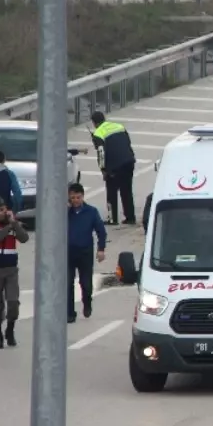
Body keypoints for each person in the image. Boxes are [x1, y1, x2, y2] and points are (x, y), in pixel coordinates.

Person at [0, 197, 28, 348]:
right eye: (0, 211)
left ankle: (10, 329)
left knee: (13, 302)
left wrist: (14, 224)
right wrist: (8, 228)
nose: (3, 213)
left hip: (11, 270)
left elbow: (24, 238)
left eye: (5, 209)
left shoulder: (13, 223)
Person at [67, 182, 106, 322]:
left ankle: (87, 302)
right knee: (67, 283)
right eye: (72, 198)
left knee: (86, 283)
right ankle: (70, 313)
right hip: (68, 253)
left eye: (78, 197)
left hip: (85, 252)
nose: (75, 200)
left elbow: (101, 231)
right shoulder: (66, 212)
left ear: (83, 197)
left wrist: (101, 249)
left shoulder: (91, 212)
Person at [90, 111, 137, 225]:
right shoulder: (119, 126)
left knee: (111, 192)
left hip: (114, 166)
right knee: (126, 190)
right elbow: (127, 142)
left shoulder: (98, 133)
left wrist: (104, 170)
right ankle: (130, 217)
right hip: (129, 161)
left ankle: (112, 219)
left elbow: (101, 154)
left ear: (94, 123)